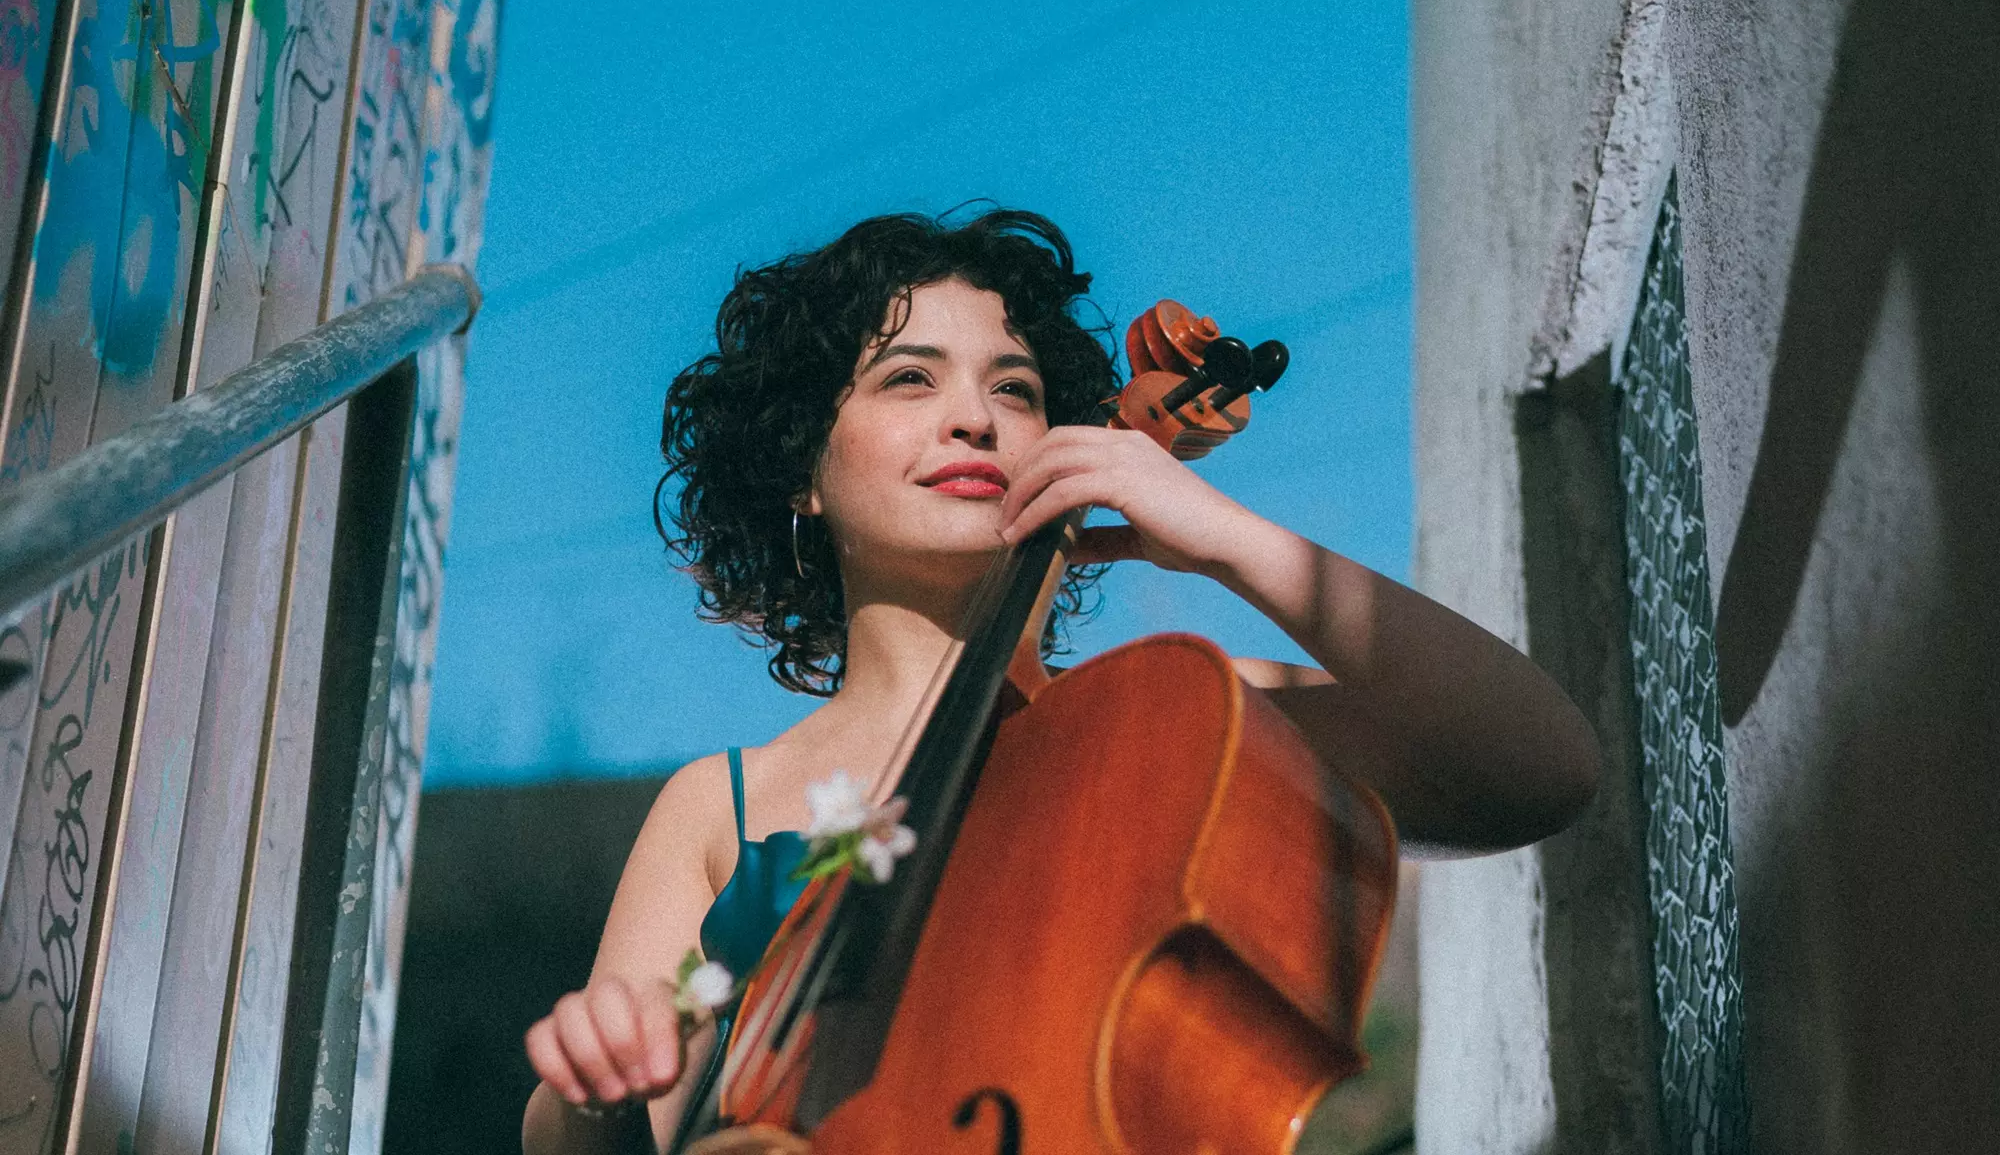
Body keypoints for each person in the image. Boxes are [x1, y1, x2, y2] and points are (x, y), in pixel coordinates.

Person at [521, 209, 1600, 1153]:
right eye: (908, 376)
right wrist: (593, 1084)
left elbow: (1533, 767)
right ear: (801, 470)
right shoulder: (725, 803)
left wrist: (1227, 541)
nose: (975, 417)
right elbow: (607, 1130)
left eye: (1015, 387)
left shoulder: (1169, 724)